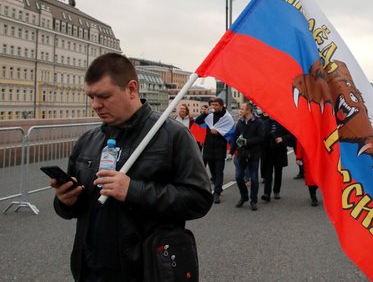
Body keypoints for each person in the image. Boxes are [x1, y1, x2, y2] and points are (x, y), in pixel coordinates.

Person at [50, 53, 213, 281]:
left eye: (104, 96)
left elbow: (199, 199)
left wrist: (133, 190)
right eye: (91, 96)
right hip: (90, 269)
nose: (95, 105)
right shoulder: (87, 141)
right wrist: (65, 202)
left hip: (146, 269)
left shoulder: (172, 136)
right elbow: (77, 208)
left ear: (132, 89)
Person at [195, 98, 235, 204]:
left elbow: (230, 132)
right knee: (212, 170)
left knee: (219, 170)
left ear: (221, 105)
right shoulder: (209, 115)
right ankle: (218, 186)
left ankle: (217, 193)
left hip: (219, 148)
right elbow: (197, 121)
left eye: (216, 105)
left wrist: (218, 132)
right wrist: (204, 113)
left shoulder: (227, 118)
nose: (214, 107)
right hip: (208, 147)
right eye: (213, 105)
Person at [228, 102, 265, 211]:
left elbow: (261, 138)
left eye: (242, 108)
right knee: (239, 177)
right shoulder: (240, 122)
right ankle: (244, 196)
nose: (241, 110)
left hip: (253, 154)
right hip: (241, 154)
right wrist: (231, 153)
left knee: (254, 178)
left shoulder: (259, 123)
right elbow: (235, 138)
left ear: (249, 110)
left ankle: (253, 201)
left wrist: (247, 142)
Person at [261, 117, 294, 201]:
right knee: (268, 172)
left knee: (278, 172)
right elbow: (262, 135)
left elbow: (291, 135)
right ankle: (267, 193)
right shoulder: (265, 123)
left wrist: (282, 139)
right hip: (268, 151)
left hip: (280, 151)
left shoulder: (283, 122)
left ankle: (276, 191)